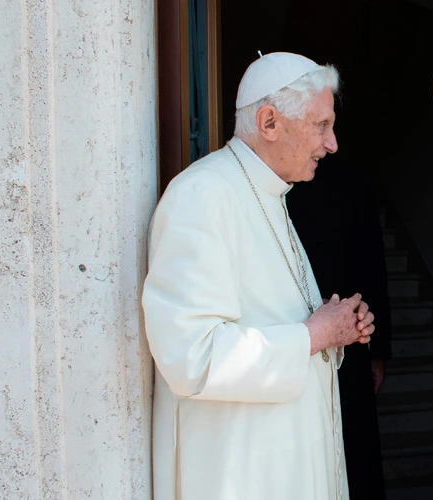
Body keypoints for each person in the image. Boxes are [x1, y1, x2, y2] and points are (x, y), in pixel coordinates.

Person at [142, 52, 375, 500]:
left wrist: (336, 325)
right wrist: (314, 335)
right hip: (242, 472)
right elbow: (191, 356)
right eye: (321, 125)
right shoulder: (202, 195)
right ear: (270, 122)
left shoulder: (270, 194)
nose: (332, 144)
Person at [287, 153, 392, 500]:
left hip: (351, 339)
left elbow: (371, 265)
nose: (328, 142)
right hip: (289, 344)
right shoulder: (265, 187)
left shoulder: (352, 180)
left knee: (355, 452)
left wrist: (377, 349)